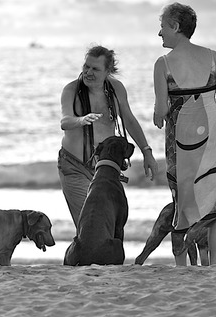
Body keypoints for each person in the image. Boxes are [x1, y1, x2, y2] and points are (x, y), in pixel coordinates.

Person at [153, 2, 216, 266]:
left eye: (162, 27)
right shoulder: (214, 57)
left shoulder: (163, 64)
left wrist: (157, 113)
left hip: (181, 135)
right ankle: (214, 264)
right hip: (215, 131)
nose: (160, 33)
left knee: (183, 199)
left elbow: (161, 111)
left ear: (175, 26)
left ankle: (182, 267)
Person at [58, 45, 158, 232]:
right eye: (86, 66)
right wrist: (82, 120)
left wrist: (147, 152)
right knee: (88, 227)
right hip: (73, 166)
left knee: (107, 224)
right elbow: (65, 121)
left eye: (95, 69)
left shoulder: (116, 89)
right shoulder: (71, 90)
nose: (88, 72)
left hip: (104, 168)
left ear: (108, 71)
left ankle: (105, 262)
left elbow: (128, 119)